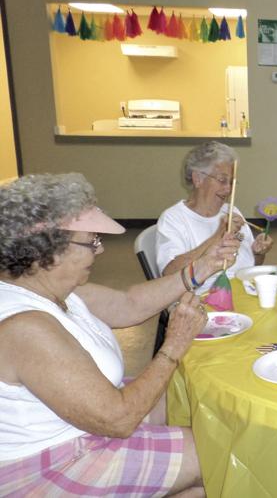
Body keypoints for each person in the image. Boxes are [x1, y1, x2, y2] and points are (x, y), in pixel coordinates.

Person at [0, 173, 233, 496]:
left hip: (91, 423)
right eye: (90, 241)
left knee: (197, 399)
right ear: (47, 251)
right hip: (55, 461)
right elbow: (118, 420)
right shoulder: (26, 328)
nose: (99, 250)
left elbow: (130, 304)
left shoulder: (53, 290)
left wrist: (202, 267)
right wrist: (173, 346)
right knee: (224, 452)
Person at [157, 141, 273, 294]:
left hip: (245, 292)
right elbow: (170, 274)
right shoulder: (174, 219)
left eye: (232, 182)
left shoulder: (231, 211)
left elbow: (252, 267)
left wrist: (258, 253)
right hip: (205, 300)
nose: (229, 189)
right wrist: (219, 235)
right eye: (222, 180)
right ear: (198, 179)